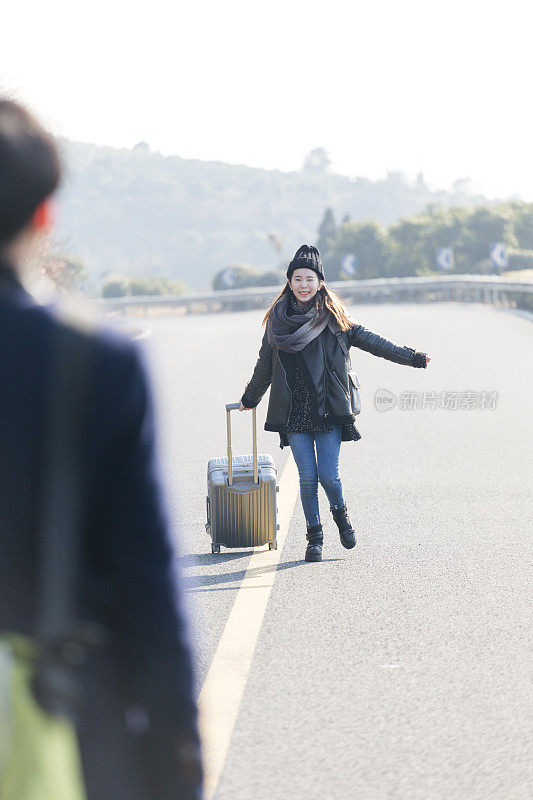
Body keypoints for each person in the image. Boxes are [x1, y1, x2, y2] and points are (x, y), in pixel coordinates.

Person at [0, 97, 203, 799]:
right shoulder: (91, 361)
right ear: (43, 216)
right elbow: (146, 587)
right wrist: (177, 760)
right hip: (60, 722)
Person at [239, 244, 431, 563]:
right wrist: (250, 397)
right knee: (307, 478)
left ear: (320, 282)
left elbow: (374, 342)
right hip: (294, 412)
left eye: (309, 278)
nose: (303, 284)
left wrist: (412, 358)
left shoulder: (335, 318)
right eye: (297, 278)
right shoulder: (277, 322)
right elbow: (265, 365)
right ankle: (314, 538)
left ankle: (340, 514)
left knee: (328, 476)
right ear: (289, 282)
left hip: (328, 409)